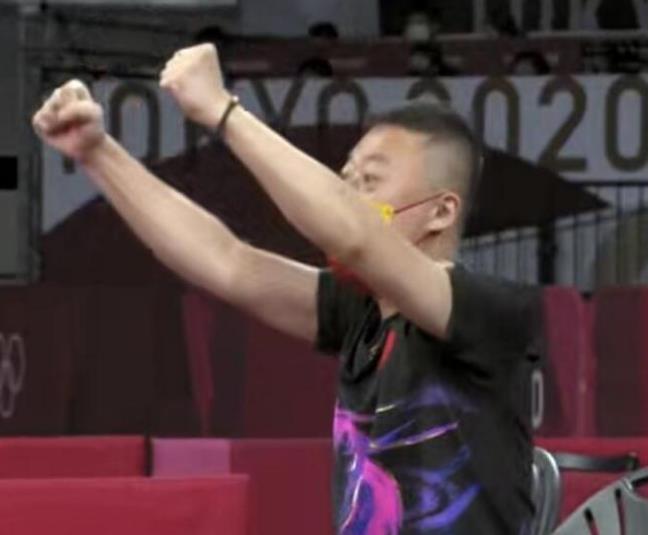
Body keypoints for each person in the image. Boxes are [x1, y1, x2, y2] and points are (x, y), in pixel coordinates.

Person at [32, 43, 540, 534]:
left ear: (441, 211)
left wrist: (224, 112)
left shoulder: (491, 312)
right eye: (346, 179)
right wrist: (97, 153)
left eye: (369, 182)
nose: (349, 193)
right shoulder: (361, 314)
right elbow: (228, 263)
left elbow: (354, 234)